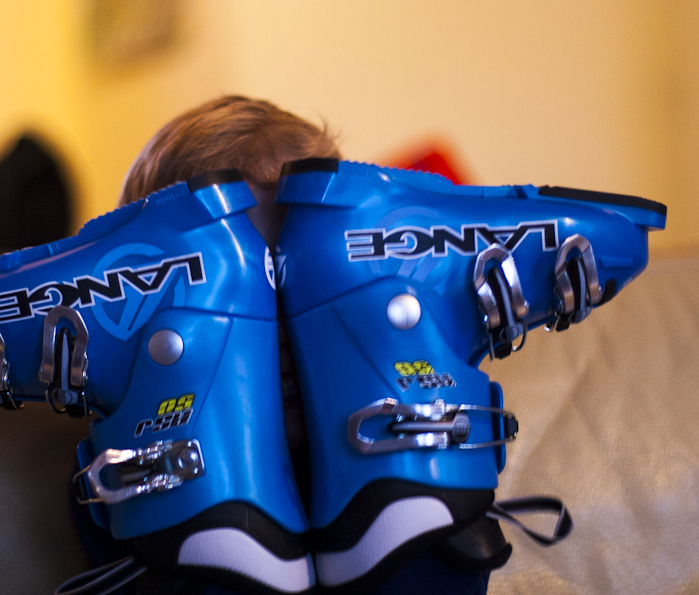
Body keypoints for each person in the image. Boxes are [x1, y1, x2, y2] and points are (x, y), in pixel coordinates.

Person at [73, 95, 490, 594]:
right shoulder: (121, 461)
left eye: (306, 272)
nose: (282, 321)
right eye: (236, 288)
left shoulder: (415, 418)